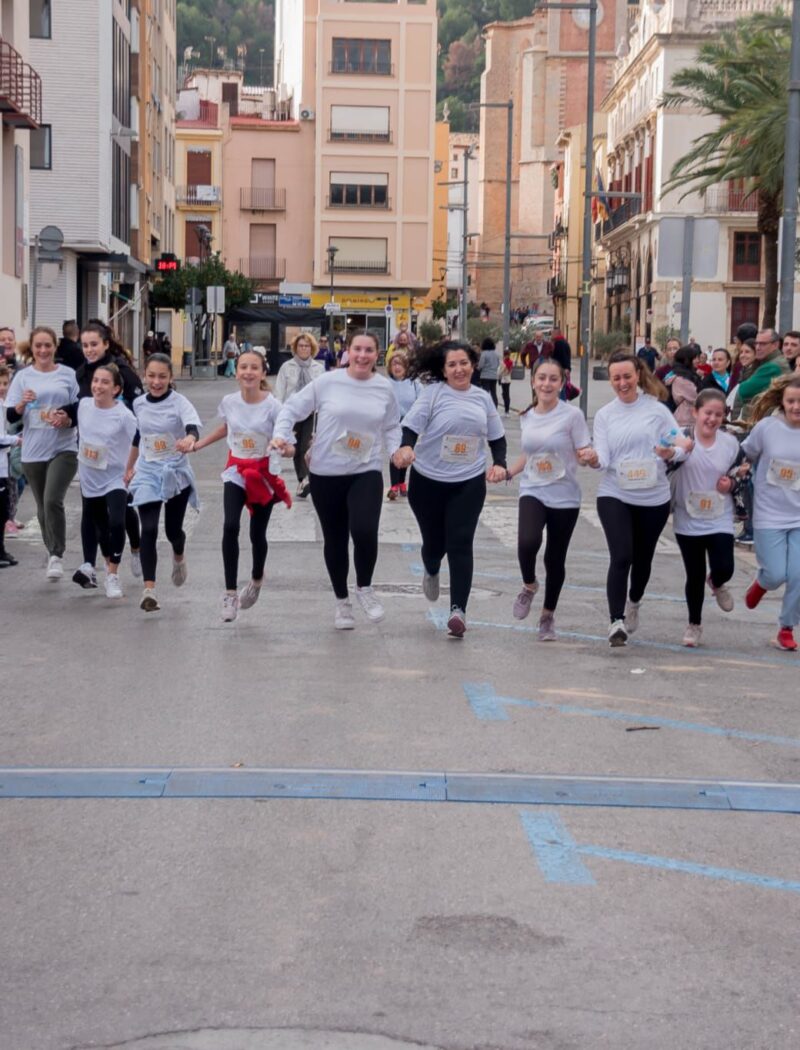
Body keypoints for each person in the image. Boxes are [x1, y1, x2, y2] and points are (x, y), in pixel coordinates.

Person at [271, 330, 401, 629]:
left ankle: (365, 587)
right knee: (336, 538)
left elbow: (393, 426)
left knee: (365, 530)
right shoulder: (328, 382)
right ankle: (342, 603)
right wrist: (281, 435)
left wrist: (396, 452)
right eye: (357, 349)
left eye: (369, 350)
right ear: (348, 352)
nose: (362, 355)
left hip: (365, 470)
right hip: (326, 472)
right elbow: (291, 409)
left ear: (377, 354)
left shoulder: (384, 388)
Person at [395, 340, 507, 638]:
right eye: (452, 365)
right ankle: (431, 567)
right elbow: (411, 427)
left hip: (468, 482)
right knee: (434, 544)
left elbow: (497, 437)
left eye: (464, 363)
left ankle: (458, 610)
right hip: (428, 481)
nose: (459, 369)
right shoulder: (433, 394)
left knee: (460, 541)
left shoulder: (483, 398)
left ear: (473, 365)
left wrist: (499, 463)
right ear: (443, 370)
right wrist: (406, 447)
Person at [581, 351, 690, 646]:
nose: (622, 382)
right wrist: (592, 458)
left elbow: (682, 443)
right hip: (615, 492)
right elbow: (602, 458)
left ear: (638, 375)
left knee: (642, 559)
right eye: (616, 378)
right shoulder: (605, 415)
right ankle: (615, 621)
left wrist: (673, 453)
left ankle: (635, 601)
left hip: (653, 497)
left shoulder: (656, 410)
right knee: (622, 555)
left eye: (627, 376)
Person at [193, 349, 289, 622]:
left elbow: (287, 441)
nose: (248, 372)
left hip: (262, 474)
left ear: (262, 373)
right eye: (243, 367)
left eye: (254, 368)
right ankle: (230, 592)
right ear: (237, 372)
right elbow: (226, 428)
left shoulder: (273, 406)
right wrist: (198, 444)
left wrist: (283, 447)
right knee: (230, 526)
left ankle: (257, 579)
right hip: (236, 470)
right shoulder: (229, 402)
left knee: (257, 534)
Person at [505, 357, 592, 640]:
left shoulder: (572, 416)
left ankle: (547, 616)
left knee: (555, 559)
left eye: (553, 379)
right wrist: (508, 472)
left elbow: (583, 449)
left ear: (563, 382)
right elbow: (528, 454)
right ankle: (529, 585)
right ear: (533, 381)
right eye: (541, 378)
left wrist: (588, 456)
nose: (546, 384)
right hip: (533, 489)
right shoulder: (527, 415)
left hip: (565, 496)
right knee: (527, 542)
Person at [125, 353, 201, 612]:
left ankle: (178, 554)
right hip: (147, 471)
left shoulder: (180, 402)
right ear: (144, 375)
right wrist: (129, 468)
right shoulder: (138, 404)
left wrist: (190, 439)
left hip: (175, 471)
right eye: (152, 376)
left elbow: (193, 427)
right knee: (148, 529)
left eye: (162, 376)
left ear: (171, 378)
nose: (156, 382)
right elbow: (138, 436)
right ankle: (150, 590)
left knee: (172, 531)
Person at [72, 320, 144, 586]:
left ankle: (135, 548)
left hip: (118, 458)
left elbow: (141, 410)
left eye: (94, 344)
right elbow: (76, 408)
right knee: (91, 512)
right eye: (85, 345)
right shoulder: (80, 374)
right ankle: (92, 564)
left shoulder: (122, 371)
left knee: (122, 513)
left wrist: (136, 456)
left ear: (105, 343)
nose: (89, 349)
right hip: (91, 457)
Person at [6, 326, 79, 580]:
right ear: (32, 348)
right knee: (41, 506)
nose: (43, 350)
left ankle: (57, 554)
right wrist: (22, 403)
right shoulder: (23, 377)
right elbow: (10, 415)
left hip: (64, 446)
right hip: (33, 450)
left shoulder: (68, 374)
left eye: (48, 345)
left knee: (52, 500)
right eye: (38, 346)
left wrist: (67, 418)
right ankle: (51, 551)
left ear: (54, 347)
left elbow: (80, 408)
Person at [671, 389, 742, 647]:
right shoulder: (682, 440)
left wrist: (731, 483)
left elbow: (741, 472)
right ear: (695, 413)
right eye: (707, 413)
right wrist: (671, 453)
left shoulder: (730, 444)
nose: (712, 419)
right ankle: (694, 624)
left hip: (719, 516)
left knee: (725, 567)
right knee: (694, 573)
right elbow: (664, 463)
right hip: (688, 518)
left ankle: (717, 581)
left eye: (718, 415)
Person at [741, 375, 800, 651]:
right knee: (777, 573)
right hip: (769, 513)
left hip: (798, 515)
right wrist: (740, 469)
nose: (796, 407)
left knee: (798, 574)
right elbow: (746, 454)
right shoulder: (767, 428)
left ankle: (786, 627)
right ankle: (764, 582)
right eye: (791, 401)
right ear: (782, 401)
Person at [273, 332, 324, 498]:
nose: (304, 349)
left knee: (306, 447)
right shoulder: (287, 367)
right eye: (301, 346)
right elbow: (280, 391)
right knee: (295, 449)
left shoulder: (318, 368)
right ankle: (303, 479)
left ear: (312, 348)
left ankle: (307, 479)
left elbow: (323, 392)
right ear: (295, 348)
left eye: (307, 346)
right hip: (292, 413)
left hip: (311, 413)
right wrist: (280, 415)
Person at [386, 351, 419, 499]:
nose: (397, 367)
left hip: (410, 424)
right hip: (392, 423)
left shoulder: (414, 383)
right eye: (394, 364)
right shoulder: (386, 383)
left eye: (400, 364)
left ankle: (401, 482)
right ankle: (394, 486)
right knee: (394, 453)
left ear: (406, 367)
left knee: (405, 453)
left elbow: (422, 402)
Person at [737, 328, 791, 415]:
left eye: (762, 344)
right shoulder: (770, 362)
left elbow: (744, 390)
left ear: (775, 345)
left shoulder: (772, 366)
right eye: (756, 343)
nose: (757, 347)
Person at [0, 363, 21, 567]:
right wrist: (16, 440)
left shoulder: (3, 404)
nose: (2, 387)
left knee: (4, 510)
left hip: (3, 465)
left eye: (5, 383)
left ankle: (2, 550)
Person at [665, 345, 703, 424]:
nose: (698, 361)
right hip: (685, 420)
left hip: (687, 418)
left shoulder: (686, 375)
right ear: (686, 360)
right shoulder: (682, 380)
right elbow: (698, 397)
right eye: (695, 358)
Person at [477, 337, 500, 406]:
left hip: (485, 376)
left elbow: (480, 365)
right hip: (494, 376)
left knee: (485, 393)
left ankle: (485, 407)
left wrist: (477, 368)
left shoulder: (484, 353)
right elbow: (498, 364)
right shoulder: (496, 354)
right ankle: (495, 407)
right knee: (493, 393)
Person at [498, 349, 513, 414]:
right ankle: (506, 409)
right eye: (505, 355)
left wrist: (500, 374)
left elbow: (507, 371)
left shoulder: (508, 362)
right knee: (505, 394)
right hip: (505, 379)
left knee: (506, 394)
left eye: (507, 355)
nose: (506, 356)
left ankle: (507, 410)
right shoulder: (507, 361)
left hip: (505, 379)